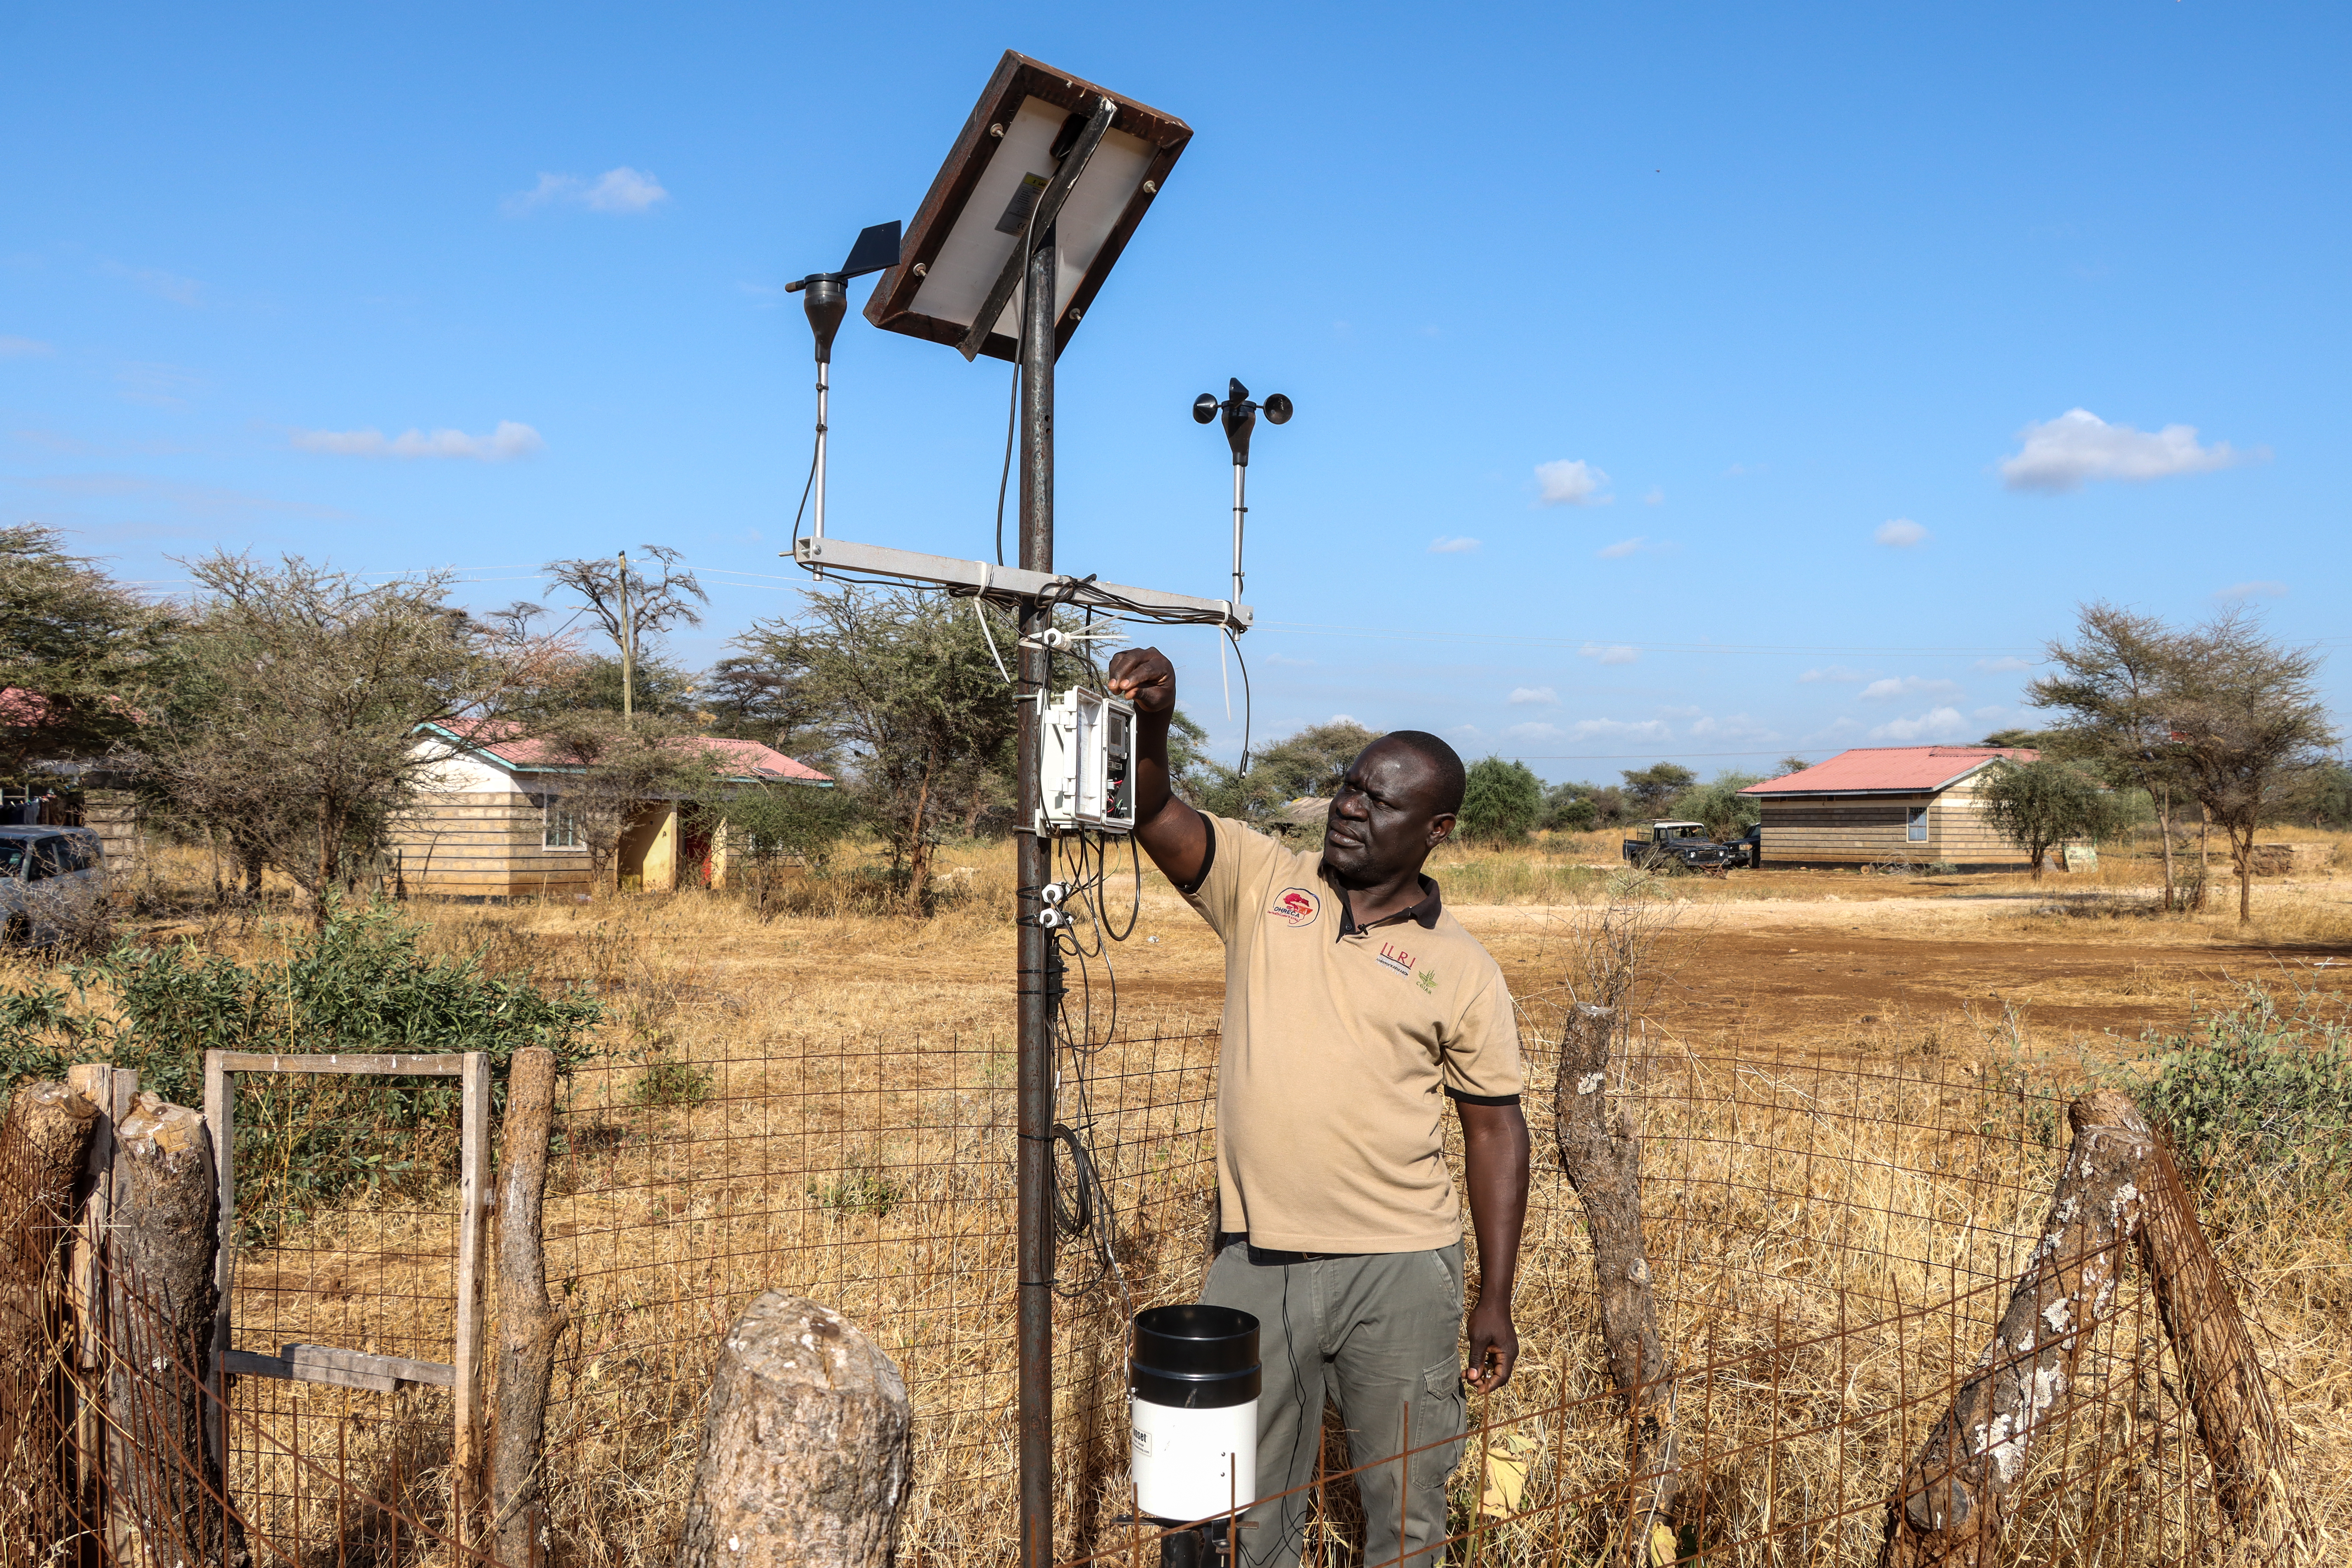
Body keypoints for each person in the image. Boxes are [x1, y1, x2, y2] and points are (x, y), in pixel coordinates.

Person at [1105, 647, 1530, 1568]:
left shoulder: (1460, 967)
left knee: (1406, 1515)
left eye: (1381, 801)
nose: (1350, 807)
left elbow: (1494, 1126)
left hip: (1402, 1270)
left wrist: (1492, 1296)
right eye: (1348, 787)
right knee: (1242, 1517)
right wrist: (1152, 722)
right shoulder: (1267, 884)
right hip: (1255, 1265)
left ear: (1438, 828)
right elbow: (1150, 811)